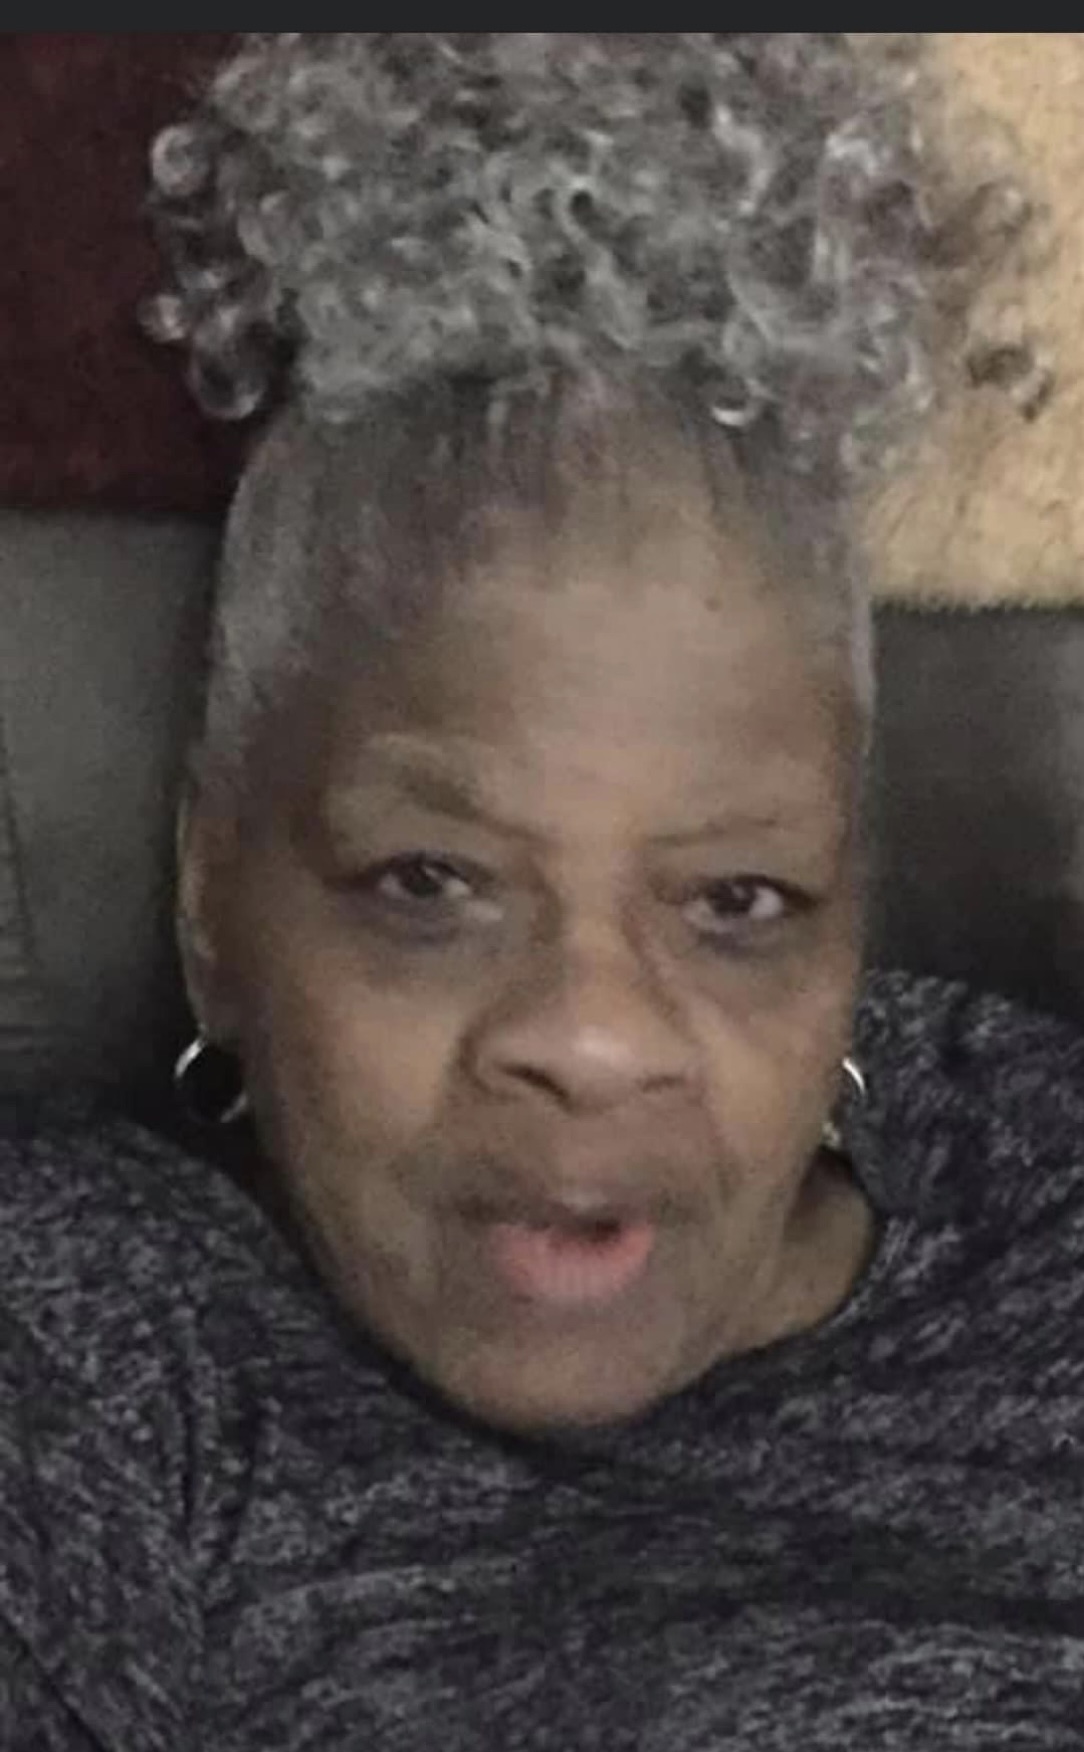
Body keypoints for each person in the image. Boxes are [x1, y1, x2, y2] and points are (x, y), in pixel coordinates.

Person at [2, 32, 1082, 1748]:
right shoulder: (87, 1343)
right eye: (430, 883)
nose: (590, 1039)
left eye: (739, 902)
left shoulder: (1048, 1189)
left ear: (856, 910)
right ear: (213, 902)